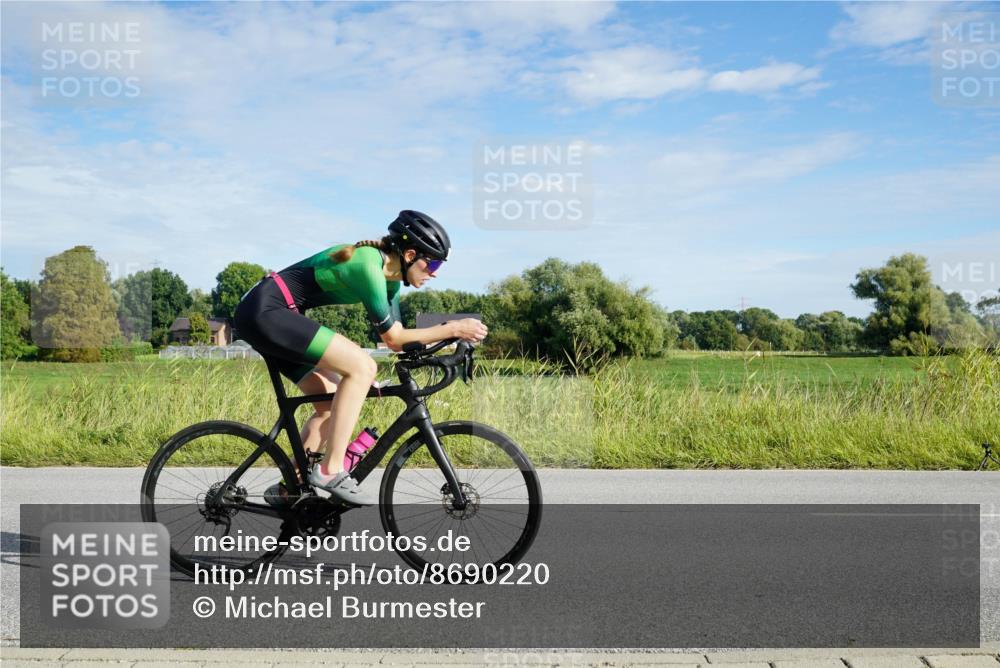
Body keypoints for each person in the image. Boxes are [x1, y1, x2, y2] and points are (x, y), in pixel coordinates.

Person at [233, 210, 487, 506]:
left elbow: (399, 340)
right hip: (267, 311)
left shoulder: (389, 280)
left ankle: (290, 490)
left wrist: (449, 341)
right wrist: (453, 327)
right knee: (362, 366)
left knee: (328, 403)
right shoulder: (368, 266)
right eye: (431, 262)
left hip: (276, 314)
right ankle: (330, 471)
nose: (435, 272)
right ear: (408, 254)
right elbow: (393, 338)